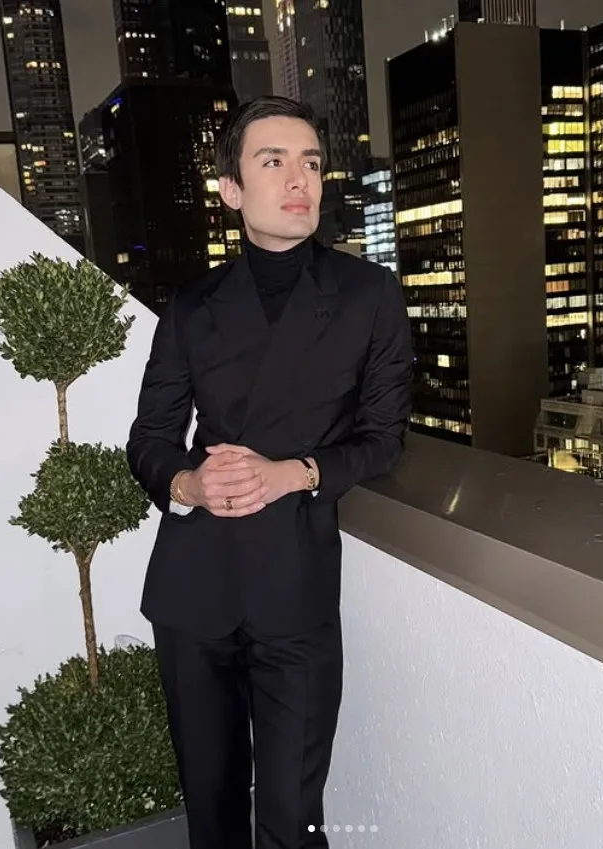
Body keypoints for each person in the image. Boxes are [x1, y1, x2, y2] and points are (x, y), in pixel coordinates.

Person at [126, 95, 413, 849]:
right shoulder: (194, 304)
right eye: (273, 161)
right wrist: (187, 484)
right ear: (231, 189)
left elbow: (385, 438)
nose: (299, 180)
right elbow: (150, 439)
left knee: (292, 818)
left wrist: (299, 472)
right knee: (212, 816)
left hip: (295, 587)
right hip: (194, 588)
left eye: (310, 163)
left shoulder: (368, 294)